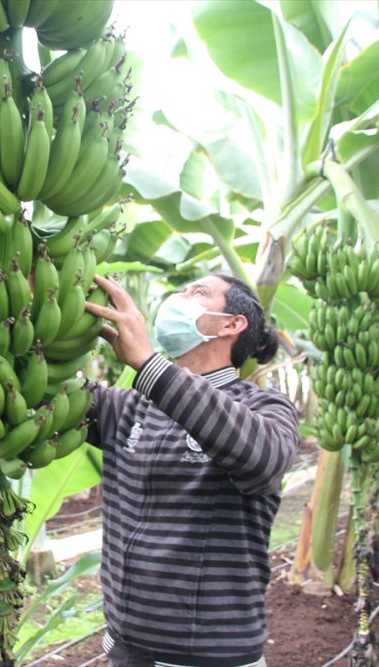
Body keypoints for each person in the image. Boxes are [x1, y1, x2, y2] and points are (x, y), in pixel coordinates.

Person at [83, 273, 300, 667]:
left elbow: (263, 459)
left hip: (210, 656)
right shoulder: (127, 407)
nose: (178, 298)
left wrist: (149, 366)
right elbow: (47, 394)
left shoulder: (265, 408)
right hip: (126, 650)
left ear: (231, 325)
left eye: (198, 292)